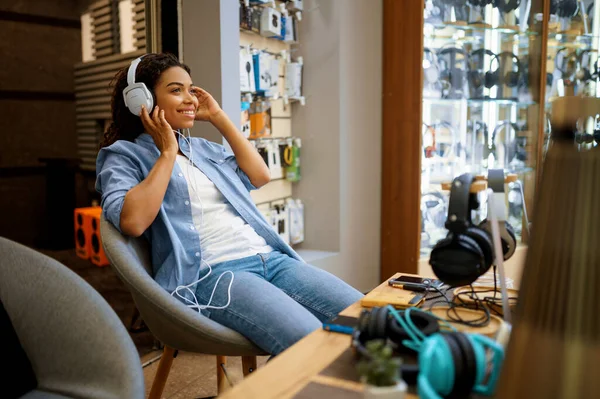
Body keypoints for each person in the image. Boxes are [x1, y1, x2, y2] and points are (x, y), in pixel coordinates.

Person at [96, 53, 363, 355]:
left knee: (369, 319)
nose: (190, 99)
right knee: (311, 344)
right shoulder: (123, 156)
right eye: (176, 90)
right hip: (217, 274)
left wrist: (219, 118)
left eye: (191, 89)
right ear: (140, 100)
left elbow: (260, 175)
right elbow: (133, 221)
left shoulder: (201, 149)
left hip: (272, 260)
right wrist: (168, 151)